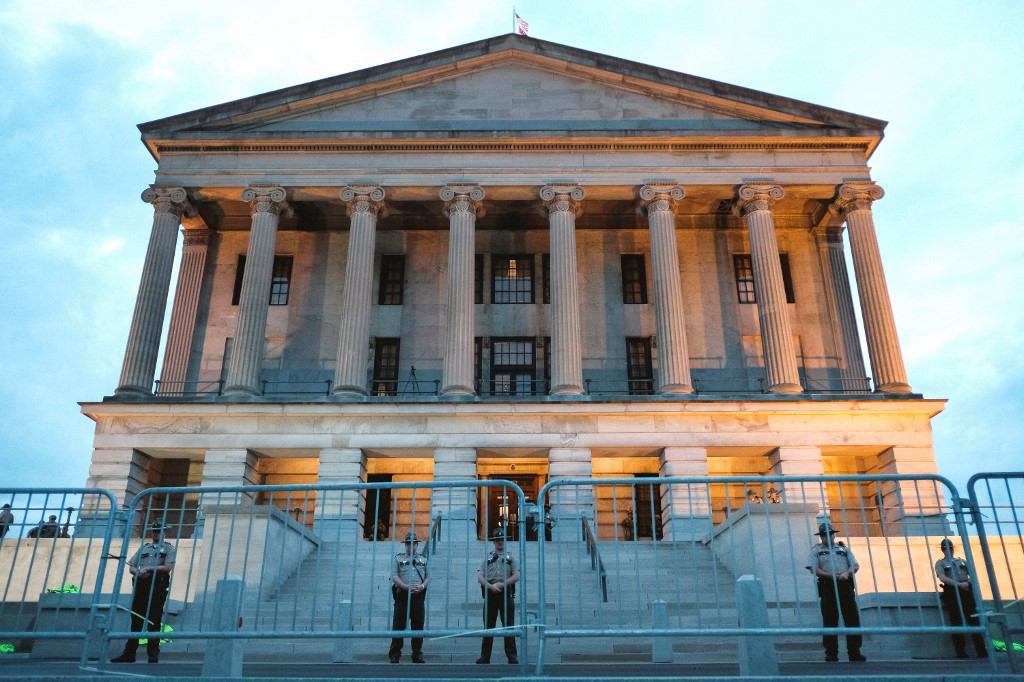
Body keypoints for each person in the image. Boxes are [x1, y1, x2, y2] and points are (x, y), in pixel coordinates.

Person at [111, 521, 176, 664]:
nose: (156, 533)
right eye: (154, 531)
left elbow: (167, 567)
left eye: (159, 531)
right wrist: (138, 572)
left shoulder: (169, 548)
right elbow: (132, 567)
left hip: (157, 584)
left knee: (154, 620)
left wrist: (149, 569)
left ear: (164, 532)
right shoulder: (144, 548)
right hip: (142, 584)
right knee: (136, 620)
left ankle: (153, 655)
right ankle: (129, 654)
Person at [805, 522, 866, 662]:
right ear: (821, 537)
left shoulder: (843, 549)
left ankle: (854, 652)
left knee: (852, 618)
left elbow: (855, 565)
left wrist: (846, 573)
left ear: (833, 534)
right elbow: (813, 568)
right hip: (828, 586)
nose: (828, 537)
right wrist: (831, 576)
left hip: (845, 584)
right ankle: (831, 653)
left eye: (830, 534)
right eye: (824, 535)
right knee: (830, 619)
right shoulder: (816, 550)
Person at [935, 538, 988, 659]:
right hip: (952, 591)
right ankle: (961, 652)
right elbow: (942, 577)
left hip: (966, 590)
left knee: (974, 620)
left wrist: (967, 583)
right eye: (946, 549)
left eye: (951, 548)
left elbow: (972, 574)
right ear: (943, 550)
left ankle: (981, 651)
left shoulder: (962, 561)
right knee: (956, 621)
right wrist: (958, 584)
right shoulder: (941, 563)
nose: (949, 551)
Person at [476, 528, 520, 664]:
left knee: (508, 626)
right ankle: (485, 656)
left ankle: (512, 656)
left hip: (505, 593)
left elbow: (517, 575)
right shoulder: (487, 557)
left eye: (501, 539)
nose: (499, 542)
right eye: (497, 540)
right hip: (490, 593)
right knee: (488, 626)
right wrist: (490, 586)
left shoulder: (510, 557)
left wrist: (502, 585)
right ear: (493, 542)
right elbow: (480, 576)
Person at [388, 532, 429, 664]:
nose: (410, 547)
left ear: (417, 545)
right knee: (398, 625)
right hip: (403, 595)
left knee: (418, 625)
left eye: (413, 544)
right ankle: (395, 653)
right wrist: (405, 586)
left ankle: (417, 653)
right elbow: (394, 576)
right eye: (408, 544)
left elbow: (429, 576)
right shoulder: (398, 559)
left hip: (418, 595)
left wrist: (422, 586)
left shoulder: (423, 559)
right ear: (405, 545)